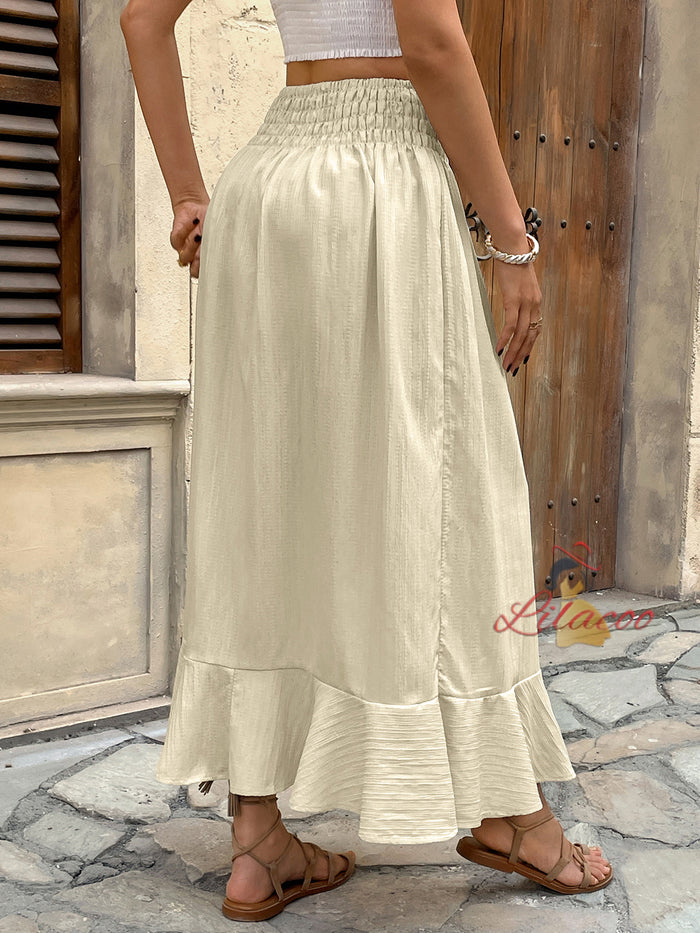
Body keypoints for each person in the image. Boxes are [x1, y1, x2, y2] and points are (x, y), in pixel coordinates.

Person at [120, 0, 613, 922]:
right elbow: (430, 42)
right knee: (451, 496)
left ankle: (259, 840)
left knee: (268, 505)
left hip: (269, 188)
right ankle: (515, 815)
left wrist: (189, 194)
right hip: (380, 186)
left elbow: (143, 18)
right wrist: (514, 244)